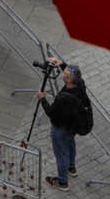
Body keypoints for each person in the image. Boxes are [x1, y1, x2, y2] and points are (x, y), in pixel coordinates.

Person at [37, 58, 90, 189]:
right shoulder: (80, 84)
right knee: (70, 145)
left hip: (60, 129)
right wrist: (61, 64)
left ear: (68, 80)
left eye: (64, 73)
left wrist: (42, 99)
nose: (62, 73)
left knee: (61, 154)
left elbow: (50, 112)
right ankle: (72, 168)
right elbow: (71, 73)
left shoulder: (63, 98)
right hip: (72, 127)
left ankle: (62, 182)